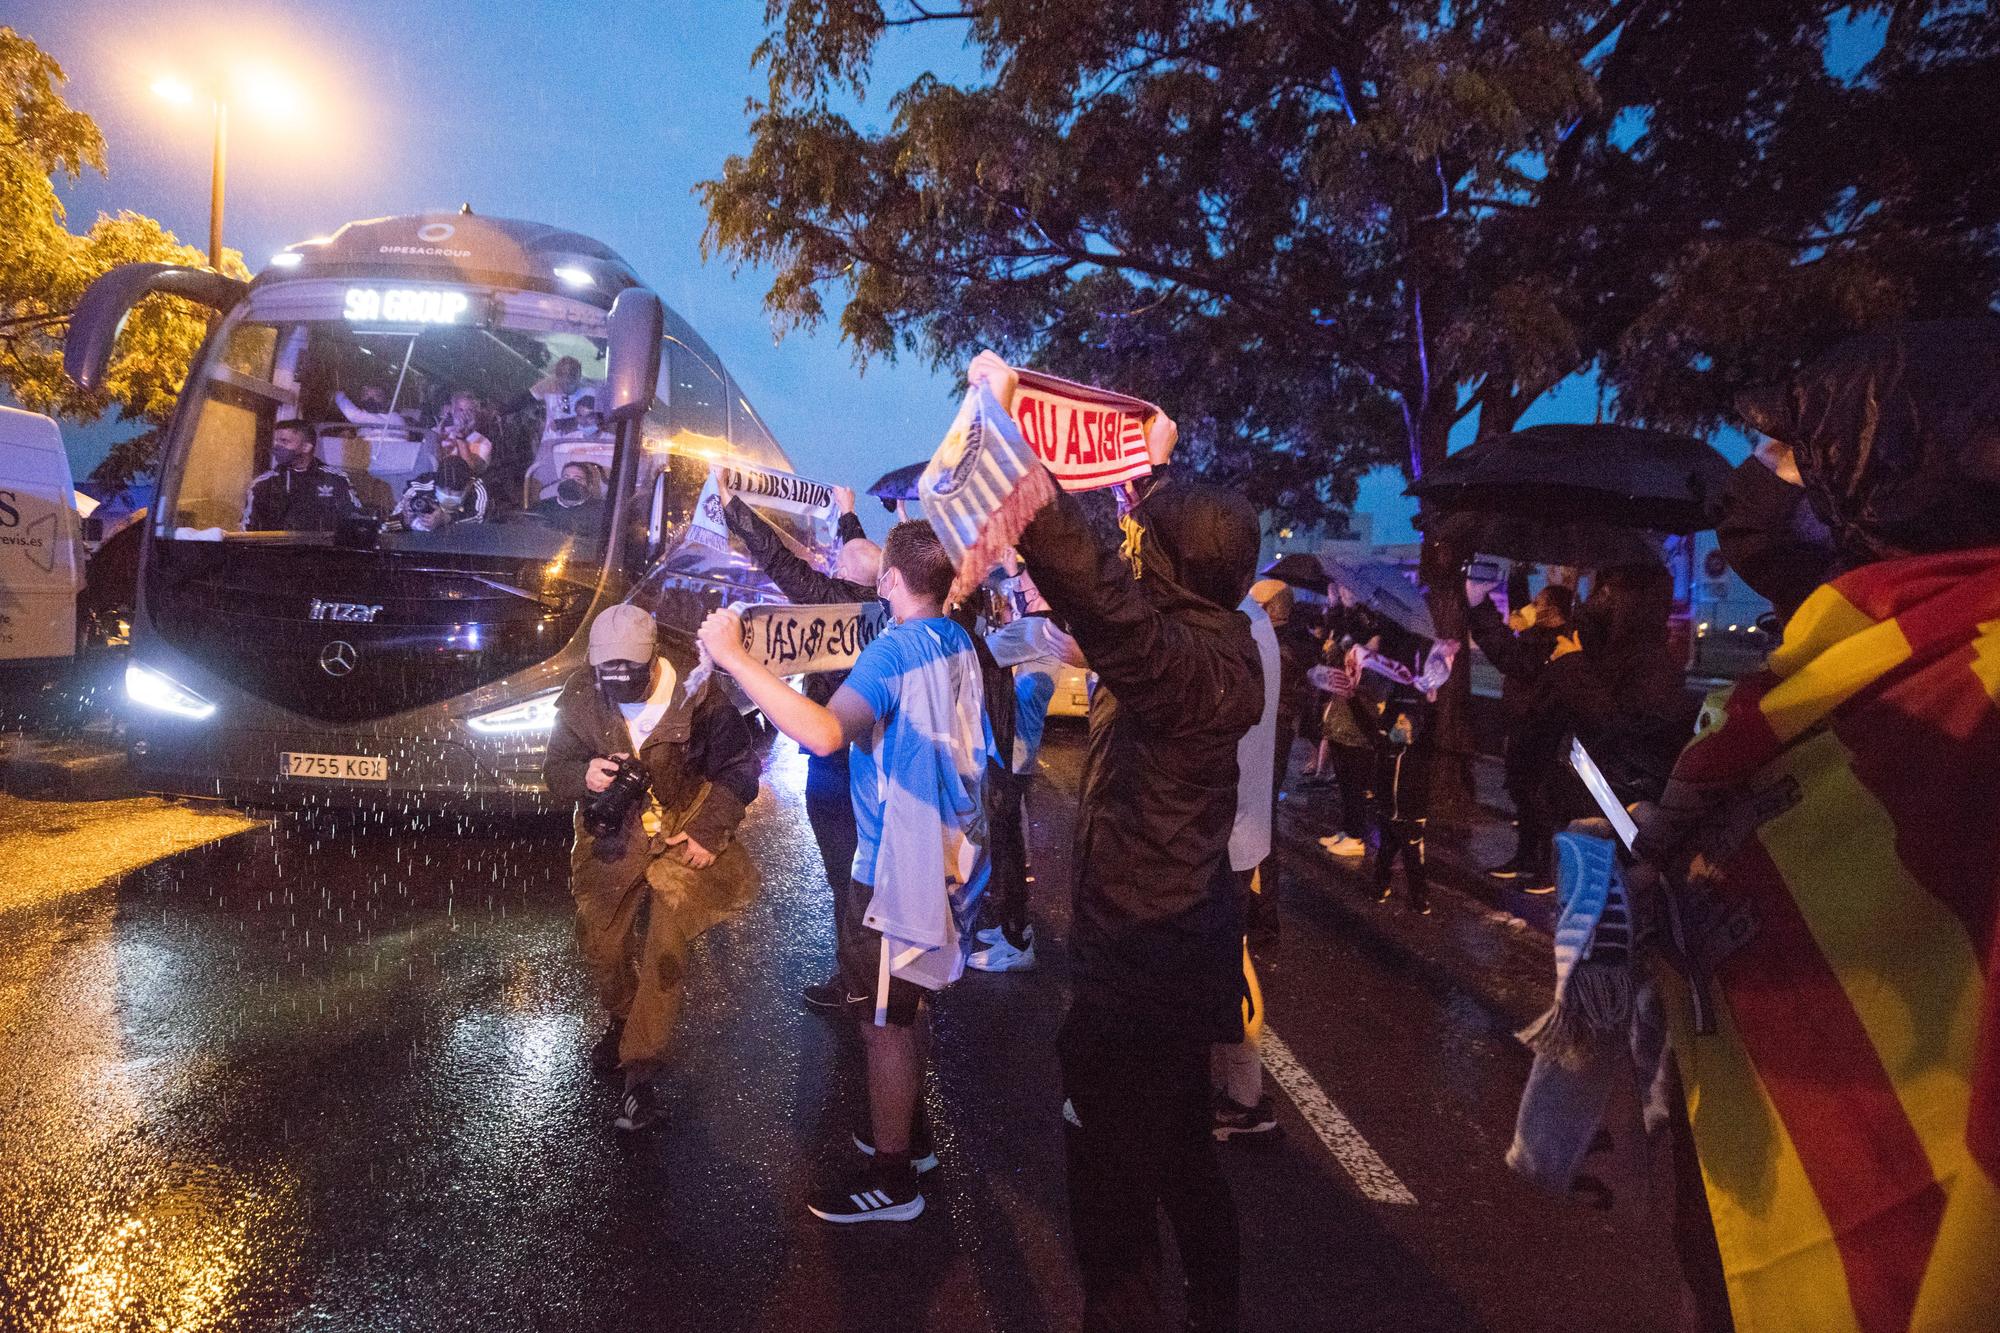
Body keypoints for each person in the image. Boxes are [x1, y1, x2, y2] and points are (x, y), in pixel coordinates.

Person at [1011, 472, 1262, 1333]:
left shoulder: (1185, 663)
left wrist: (1027, 487)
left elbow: (1109, 604)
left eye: (1142, 542)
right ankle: (1216, 1312)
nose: (1128, 552)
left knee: (1112, 1213)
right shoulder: (1213, 643)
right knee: (1186, 1161)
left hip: (1139, 976)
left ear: (1173, 563)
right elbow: (1119, 630)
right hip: (1174, 960)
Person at [699, 522, 990, 1224]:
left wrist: (736, 658)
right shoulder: (956, 638)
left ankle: (894, 1181)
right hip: (940, 853)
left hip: (898, 865)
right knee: (896, 1008)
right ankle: (908, 1139)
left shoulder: (895, 649)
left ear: (891, 580)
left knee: (885, 1023)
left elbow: (826, 731)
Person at [543, 604, 762, 1132]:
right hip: (613, 838)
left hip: (682, 829)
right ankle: (624, 1021)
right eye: (605, 672)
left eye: (629, 673)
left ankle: (641, 1073)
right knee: (602, 947)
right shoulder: (578, 696)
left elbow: (739, 769)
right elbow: (555, 769)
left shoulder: (699, 693)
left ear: (654, 657)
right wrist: (584, 775)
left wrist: (709, 831)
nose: (616, 683)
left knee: (666, 949)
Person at [719, 476, 879, 1012]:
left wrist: (731, 506)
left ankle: (857, 980)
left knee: (846, 876)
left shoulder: (833, 604)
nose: (829, 566)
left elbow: (780, 564)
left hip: (834, 759)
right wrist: (847, 512)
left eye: (835, 565)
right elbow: (858, 557)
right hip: (877, 759)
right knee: (868, 869)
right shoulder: (886, 611)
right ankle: (871, 970)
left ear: (839, 577)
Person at [1211, 581, 1283, 1141]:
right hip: (1232, 826)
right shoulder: (1243, 619)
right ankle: (1241, 1093)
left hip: (1224, 831)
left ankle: (1245, 1097)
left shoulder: (1233, 624)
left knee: (1227, 966)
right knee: (1223, 962)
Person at [1465, 575, 1575, 891]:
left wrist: (1480, 607)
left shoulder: (1555, 643)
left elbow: (1510, 657)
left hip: (1542, 730)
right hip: (1523, 725)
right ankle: (1525, 858)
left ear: (1554, 611)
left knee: (1539, 800)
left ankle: (1545, 869)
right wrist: (1517, 575)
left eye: (1539, 603)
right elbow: (1517, 624)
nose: (1532, 607)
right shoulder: (1538, 634)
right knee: (1523, 796)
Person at [1311, 577, 1381, 859]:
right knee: (1343, 776)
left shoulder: (1371, 626)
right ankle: (1347, 828)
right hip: (1340, 707)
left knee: (1354, 776)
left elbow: (1367, 665)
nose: (1342, 593)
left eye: (1348, 587)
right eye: (1339, 588)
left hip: (1359, 710)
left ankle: (1356, 834)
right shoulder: (1344, 623)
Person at [243, 420, 362, 532]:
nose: (277, 446)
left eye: (284, 441)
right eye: (276, 441)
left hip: (322, 552)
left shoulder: (336, 479)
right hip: (277, 553)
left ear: (306, 447)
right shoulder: (263, 484)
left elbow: (356, 522)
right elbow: (247, 529)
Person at [393, 455, 490, 532]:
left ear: (468, 486)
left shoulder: (477, 490)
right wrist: (405, 518)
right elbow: (387, 525)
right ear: (435, 483)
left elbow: (478, 516)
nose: (448, 495)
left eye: (455, 491)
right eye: (443, 489)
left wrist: (445, 519)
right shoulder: (419, 486)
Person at [531, 356, 609, 443]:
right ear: (557, 376)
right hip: (550, 444)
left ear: (579, 376)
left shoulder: (591, 392)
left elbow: (599, 419)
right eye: (563, 379)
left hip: (581, 445)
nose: (567, 385)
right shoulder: (548, 386)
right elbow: (523, 400)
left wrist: (562, 423)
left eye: (571, 380)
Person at [423, 390, 495, 473]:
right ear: (453, 411)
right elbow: (425, 457)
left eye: (470, 411)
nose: (464, 415)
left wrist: (460, 437)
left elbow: (471, 470)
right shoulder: (439, 432)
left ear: (475, 413)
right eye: (460, 410)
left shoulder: (482, 442)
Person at [531, 460, 608, 535]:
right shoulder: (542, 507)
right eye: (566, 477)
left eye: (578, 479)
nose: (570, 482)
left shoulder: (602, 511)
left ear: (589, 485)